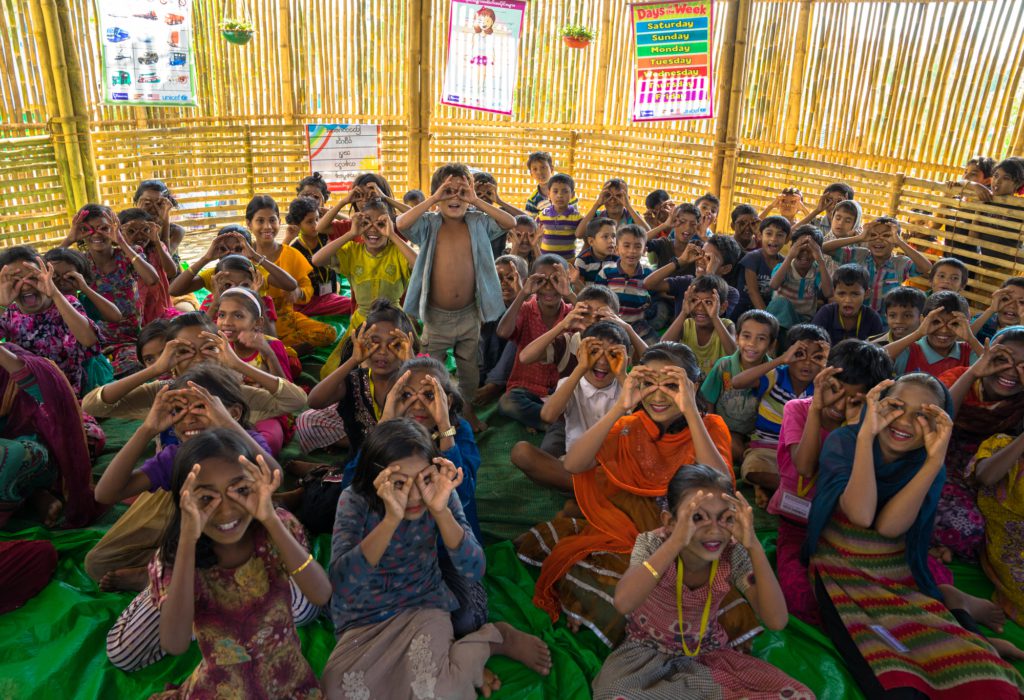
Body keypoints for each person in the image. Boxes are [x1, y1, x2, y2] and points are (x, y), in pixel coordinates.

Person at [805, 375, 1024, 699]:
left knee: (981, 677)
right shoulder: (847, 441)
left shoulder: (928, 461)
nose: (905, 422)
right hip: (840, 569)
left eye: (923, 416)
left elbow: (890, 528)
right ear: (878, 407)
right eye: (895, 407)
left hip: (895, 568)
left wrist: (936, 459)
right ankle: (962, 615)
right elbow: (861, 515)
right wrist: (866, 437)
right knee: (895, 671)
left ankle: (968, 628)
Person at [517, 343, 732, 646]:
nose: (657, 396)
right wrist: (620, 407)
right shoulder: (630, 424)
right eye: (648, 385)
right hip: (624, 524)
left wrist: (691, 410)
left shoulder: (710, 425)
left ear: (692, 386)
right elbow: (576, 464)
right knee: (592, 564)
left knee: (669, 588)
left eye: (671, 386)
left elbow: (722, 490)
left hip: (681, 533)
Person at [322, 418, 552, 699]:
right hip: (363, 617)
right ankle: (459, 665)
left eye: (425, 478)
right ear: (376, 479)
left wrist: (442, 512)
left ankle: (493, 640)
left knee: (441, 692)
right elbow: (342, 584)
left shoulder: (440, 494)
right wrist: (390, 520)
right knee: (338, 692)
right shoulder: (355, 499)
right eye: (400, 483)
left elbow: (474, 569)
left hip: (421, 605)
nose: (416, 495)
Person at [592, 464, 811, 699]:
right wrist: (676, 541)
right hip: (645, 656)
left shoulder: (733, 553)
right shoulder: (652, 544)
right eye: (698, 517)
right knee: (615, 695)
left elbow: (776, 620)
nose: (714, 530)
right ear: (670, 521)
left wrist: (754, 545)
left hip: (708, 656)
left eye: (725, 518)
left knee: (799, 695)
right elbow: (624, 602)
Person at [148, 429, 330, 698]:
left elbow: (320, 593)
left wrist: (270, 518)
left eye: (240, 491)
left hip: (289, 683)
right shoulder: (177, 557)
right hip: (222, 689)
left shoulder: (275, 530)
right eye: (206, 498)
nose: (227, 510)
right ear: (183, 501)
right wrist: (188, 540)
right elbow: (174, 643)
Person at [87, 364, 279, 591]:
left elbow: (274, 475)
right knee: (97, 562)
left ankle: (164, 574)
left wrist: (226, 422)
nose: (188, 418)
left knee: (249, 566)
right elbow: (105, 493)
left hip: (237, 531)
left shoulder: (246, 442)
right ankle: (162, 568)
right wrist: (147, 429)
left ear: (234, 413)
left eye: (200, 407)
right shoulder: (177, 454)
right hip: (190, 530)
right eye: (178, 411)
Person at [768, 339, 892, 623]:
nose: (837, 405)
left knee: (872, 592)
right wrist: (816, 410)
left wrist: (854, 429)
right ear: (823, 380)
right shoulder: (798, 409)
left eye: (854, 400)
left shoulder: (866, 430)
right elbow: (806, 467)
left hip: (838, 528)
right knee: (801, 599)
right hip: (796, 524)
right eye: (834, 390)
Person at [396, 164, 516, 432]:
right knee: (431, 371)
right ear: (437, 195)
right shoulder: (429, 223)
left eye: (462, 191)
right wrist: (433, 199)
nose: (455, 197)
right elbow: (402, 223)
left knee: (470, 370)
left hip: (469, 314)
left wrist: (475, 201)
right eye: (447, 191)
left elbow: (510, 222)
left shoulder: (478, 221)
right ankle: (433, 415)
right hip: (436, 317)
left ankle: (468, 412)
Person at [935, 329, 1024, 561]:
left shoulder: (1020, 401)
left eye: (1023, 366)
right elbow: (936, 421)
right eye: (1002, 359)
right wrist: (974, 373)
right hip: (940, 464)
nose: (1011, 371)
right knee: (965, 528)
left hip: (989, 478)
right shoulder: (959, 377)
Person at [510, 320, 629, 493]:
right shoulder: (570, 383)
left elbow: (645, 420)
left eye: (612, 355)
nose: (602, 362)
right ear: (580, 354)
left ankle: (586, 494)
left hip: (615, 469)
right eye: (594, 352)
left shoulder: (628, 385)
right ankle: (592, 494)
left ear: (626, 360)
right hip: (575, 465)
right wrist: (580, 367)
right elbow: (548, 416)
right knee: (521, 452)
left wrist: (622, 375)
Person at [312, 198, 417, 378]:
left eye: (381, 223)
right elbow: (317, 260)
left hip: (394, 321)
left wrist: (393, 235)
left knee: (404, 369)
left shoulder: (397, 250)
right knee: (333, 372)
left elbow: (419, 265)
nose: (373, 229)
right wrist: (350, 234)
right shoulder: (353, 251)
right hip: (362, 320)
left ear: (389, 224)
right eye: (366, 223)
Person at [298, 298, 417, 456]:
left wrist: (411, 364)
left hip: (404, 455)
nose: (382, 352)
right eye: (374, 343)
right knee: (306, 421)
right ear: (363, 343)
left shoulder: (412, 381)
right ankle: (366, 444)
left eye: (394, 345)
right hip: (364, 452)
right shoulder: (356, 380)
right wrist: (353, 360)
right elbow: (314, 401)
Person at [0, 343, 100, 529]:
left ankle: (31, 493)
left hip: (31, 447)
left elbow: (47, 394)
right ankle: (32, 497)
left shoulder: (11, 362)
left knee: (11, 456)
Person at [731, 323, 831, 501]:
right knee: (752, 470)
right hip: (766, 447)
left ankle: (777, 488)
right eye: (799, 355)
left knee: (814, 469)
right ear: (788, 353)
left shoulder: (821, 385)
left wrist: (826, 366)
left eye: (817, 357)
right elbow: (737, 382)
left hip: (800, 451)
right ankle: (790, 488)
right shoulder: (776, 375)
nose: (807, 363)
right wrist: (780, 360)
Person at [61, 204, 159, 376]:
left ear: (114, 229)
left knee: (136, 367)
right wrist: (69, 239)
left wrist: (121, 241)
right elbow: (46, 273)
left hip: (130, 339)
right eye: (87, 229)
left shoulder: (127, 255)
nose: (97, 234)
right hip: (94, 341)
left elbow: (152, 279)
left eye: (104, 228)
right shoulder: (80, 262)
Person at [0, 246, 101, 398]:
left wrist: (54, 293)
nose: (25, 285)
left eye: (33, 277)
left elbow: (89, 339)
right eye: (15, 281)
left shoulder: (67, 303)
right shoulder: (7, 314)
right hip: (24, 398)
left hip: (67, 396)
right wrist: (1, 305)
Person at [244, 195, 337, 355]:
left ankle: (282, 350)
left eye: (272, 220)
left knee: (329, 333)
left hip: (287, 318)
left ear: (279, 222)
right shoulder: (243, 257)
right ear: (248, 224)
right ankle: (286, 351)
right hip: (256, 323)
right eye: (260, 221)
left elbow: (307, 286)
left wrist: (298, 292)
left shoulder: (291, 254)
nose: (267, 226)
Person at [495, 255, 574, 430]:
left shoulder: (572, 313)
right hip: (527, 387)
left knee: (577, 400)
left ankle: (543, 420)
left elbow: (598, 326)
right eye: (541, 281)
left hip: (561, 389)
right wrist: (523, 293)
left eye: (556, 280)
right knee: (507, 402)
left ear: (566, 280)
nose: (548, 287)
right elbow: (502, 332)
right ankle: (556, 423)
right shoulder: (526, 309)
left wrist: (569, 293)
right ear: (531, 282)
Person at [701, 310, 777, 464]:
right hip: (725, 429)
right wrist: (711, 429)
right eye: (746, 336)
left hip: (758, 436)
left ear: (771, 345)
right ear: (737, 338)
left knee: (759, 458)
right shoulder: (724, 365)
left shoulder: (774, 373)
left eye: (761, 339)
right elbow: (708, 400)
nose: (751, 344)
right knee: (732, 447)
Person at [823, 217, 933, 314]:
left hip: (884, 323)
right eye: (873, 235)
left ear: (895, 240)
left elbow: (926, 267)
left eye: (886, 236)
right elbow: (824, 248)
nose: (878, 240)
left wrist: (900, 242)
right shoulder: (858, 255)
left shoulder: (900, 263)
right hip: (855, 318)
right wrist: (859, 238)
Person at [285, 196, 354, 317]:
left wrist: (333, 213)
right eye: (309, 221)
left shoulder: (326, 236)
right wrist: (288, 238)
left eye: (317, 219)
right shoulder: (295, 248)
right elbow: (278, 262)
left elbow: (351, 226)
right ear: (297, 224)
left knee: (354, 303)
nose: (316, 224)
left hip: (331, 296)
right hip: (310, 301)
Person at [885, 291, 982, 375]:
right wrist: (919, 333)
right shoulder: (909, 351)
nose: (944, 330)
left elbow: (993, 367)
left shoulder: (969, 351)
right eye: (936, 322)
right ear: (923, 320)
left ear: (966, 323)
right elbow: (877, 358)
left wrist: (971, 339)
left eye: (954, 323)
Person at [662, 274, 736, 375]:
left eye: (709, 302)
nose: (700, 308)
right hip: (690, 384)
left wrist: (715, 317)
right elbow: (662, 347)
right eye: (694, 300)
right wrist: (684, 312)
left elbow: (734, 353)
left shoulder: (727, 325)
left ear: (723, 307)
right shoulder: (686, 325)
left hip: (717, 385)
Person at [117, 207, 179, 325]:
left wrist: (156, 241)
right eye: (131, 231)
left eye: (145, 230)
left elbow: (171, 272)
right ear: (121, 233)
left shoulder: (156, 248)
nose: (139, 236)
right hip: (134, 310)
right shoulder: (120, 254)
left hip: (160, 307)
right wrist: (125, 243)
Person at [595, 225, 657, 343]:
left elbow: (654, 297)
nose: (632, 251)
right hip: (610, 323)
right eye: (626, 246)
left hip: (638, 325)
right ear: (617, 249)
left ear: (644, 251)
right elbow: (598, 298)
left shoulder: (648, 275)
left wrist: (648, 308)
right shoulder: (607, 272)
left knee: (651, 350)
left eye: (637, 247)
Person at [766, 225, 832, 329]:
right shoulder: (784, 267)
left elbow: (828, 293)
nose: (805, 254)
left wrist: (820, 259)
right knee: (781, 302)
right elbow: (773, 285)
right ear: (792, 248)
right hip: (779, 320)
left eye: (810, 250)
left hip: (804, 322)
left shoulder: (817, 271)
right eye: (800, 249)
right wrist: (790, 256)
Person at [732, 215, 790, 318]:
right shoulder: (752, 258)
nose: (773, 239)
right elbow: (753, 292)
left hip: (769, 310)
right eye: (769, 234)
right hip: (744, 311)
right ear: (759, 235)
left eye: (780, 235)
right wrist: (768, 320)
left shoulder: (784, 263)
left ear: (786, 239)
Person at [812, 264, 884, 344]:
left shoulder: (872, 318)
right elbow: (812, 345)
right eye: (841, 293)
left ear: (866, 294)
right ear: (834, 292)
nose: (848, 300)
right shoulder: (826, 314)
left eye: (855, 294)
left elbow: (878, 352)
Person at [133, 179, 186, 264]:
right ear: (137, 204)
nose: (154, 208)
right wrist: (139, 215)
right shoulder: (128, 229)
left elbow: (165, 262)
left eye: (159, 204)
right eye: (147, 203)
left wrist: (165, 218)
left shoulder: (176, 231)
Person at [536, 173, 584, 262]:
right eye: (555, 191)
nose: (560, 195)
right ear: (548, 194)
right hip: (545, 262)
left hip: (567, 263)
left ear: (572, 195)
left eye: (565, 191)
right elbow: (537, 238)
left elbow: (585, 239)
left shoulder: (577, 218)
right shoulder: (542, 216)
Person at [575, 178, 645, 236]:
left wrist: (628, 206)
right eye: (608, 196)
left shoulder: (632, 217)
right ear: (602, 197)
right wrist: (596, 205)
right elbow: (579, 234)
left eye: (618, 196)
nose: (613, 201)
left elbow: (648, 235)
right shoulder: (597, 217)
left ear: (627, 199)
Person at [971, 277, 1024, 343]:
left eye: (1021, 302)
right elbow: (960, 339)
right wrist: (991, 309)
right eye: (1005, 299)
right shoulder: (982, 319)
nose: (1012, 305)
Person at [574, 217, 618, 284]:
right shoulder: (582, 261)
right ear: (591, 241)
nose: (611, 241)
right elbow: (580, 291)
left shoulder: (617, 260)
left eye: (613, 236)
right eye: (605, 237)